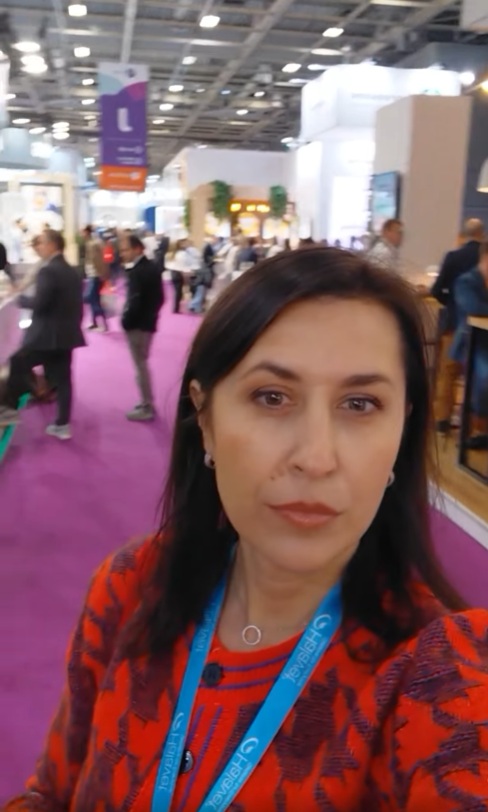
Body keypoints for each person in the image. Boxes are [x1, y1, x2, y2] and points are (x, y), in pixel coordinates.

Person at [7, 248, 488, 811]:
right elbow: (51, 793)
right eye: (272, 397)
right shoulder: (132, 586)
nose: (316, 458)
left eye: (360, 404)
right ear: (206, 418)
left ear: (401, 431)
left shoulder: (440, 675)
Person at [0, 230, 85, 440]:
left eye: (41, 243)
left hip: (45, 336)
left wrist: (18, 299)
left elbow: (39, 303)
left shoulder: (48, 270)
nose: (38, 247)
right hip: (66, 335)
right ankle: (62, 424)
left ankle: (9, 408)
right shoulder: (73, 270)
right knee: (64, 380)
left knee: (17, 362)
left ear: (53, 245)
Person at [431, 218, 484, 434]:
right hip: (481, 330)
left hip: (454, 323)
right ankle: (470, 424)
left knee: (448, 373)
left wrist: (451, 303)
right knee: (474, 376)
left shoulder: (453, 257)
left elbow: (436, 290)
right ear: (482, 234)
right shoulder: (481, 259)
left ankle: (442, 420)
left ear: (463, 234)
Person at [119, 234, 164, 422]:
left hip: (138, 326)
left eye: (126, 250)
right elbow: (160, 298)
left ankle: (147, 405)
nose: (122, 254)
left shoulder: (138, 271)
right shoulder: (151, 267)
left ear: (137, 249)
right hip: (148, 323)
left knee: (141, 367)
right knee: (142, 364)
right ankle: (146, 402)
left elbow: (134, 302)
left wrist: (126, 321)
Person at [450, 239, 488, 450]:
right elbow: (474, 307)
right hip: (471, 343)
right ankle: (474, 427)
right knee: (484, 377)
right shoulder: (466, 281)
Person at [83, 225, 109, 331]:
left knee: (92, 298)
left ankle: (103, 323)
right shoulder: (94, 243)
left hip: (95, 275)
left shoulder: (92, 244)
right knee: (94, 299)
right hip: (93, 274)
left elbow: (97, 260)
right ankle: (96, 323)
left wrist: (102, 274)